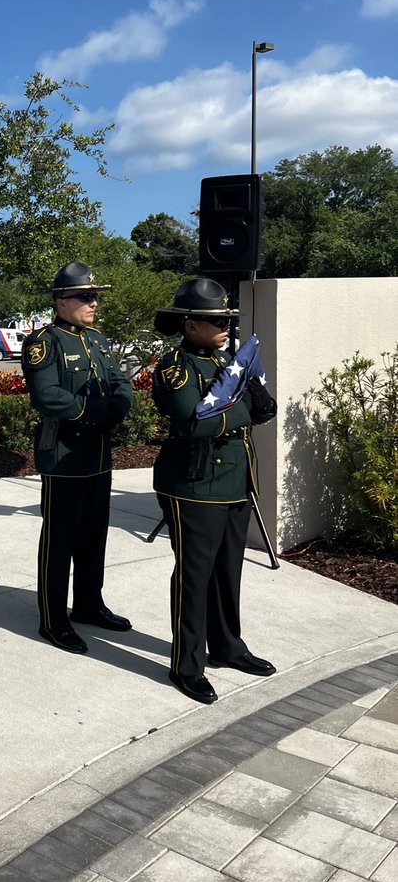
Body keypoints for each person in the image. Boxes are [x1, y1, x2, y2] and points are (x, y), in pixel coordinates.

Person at [152, 277, 277, 704]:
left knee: (228, 571)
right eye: (216, 319)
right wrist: (240, 410)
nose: (226, 324)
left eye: (228, 318)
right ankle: (187, 665)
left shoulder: (228, 362)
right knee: (194, 576)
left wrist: (247, 397)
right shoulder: (174, 367)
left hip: (234, 482)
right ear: (189, 325)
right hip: (193, 484)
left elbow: (262, 410)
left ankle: (227, 647)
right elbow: (193, 421)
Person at [22, 262, 133, 654]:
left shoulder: (98, 341)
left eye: (95, 296)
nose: (94, 302)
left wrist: (120, 403)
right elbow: (47, 395)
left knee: (93, 537)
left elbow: (121, 383)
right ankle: (53, 619)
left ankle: (89, 603)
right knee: (60, 541)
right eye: (85, 296)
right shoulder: (44, 342)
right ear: (60, 301)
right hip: (64, 455)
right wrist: (98, 411)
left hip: (98, 457)